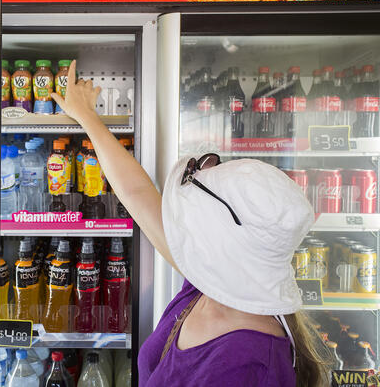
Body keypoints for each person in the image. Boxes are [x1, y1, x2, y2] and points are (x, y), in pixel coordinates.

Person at [51, 60, 330, 386]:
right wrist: (87, 116)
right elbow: (138, 193)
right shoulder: (211, 282)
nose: (183, 226)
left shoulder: (249, 366)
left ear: (220, 242)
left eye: (195, 221)